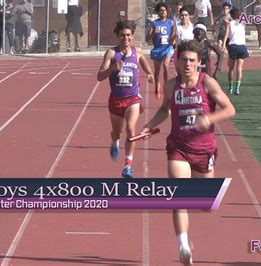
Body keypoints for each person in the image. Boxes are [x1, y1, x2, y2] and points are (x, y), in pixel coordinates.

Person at [140, 39, 235, 265]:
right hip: (178, 147)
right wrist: (148, 126)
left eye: (192, 60)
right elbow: (164, 110)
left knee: (205, 204)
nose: (188, 64)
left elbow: (230, 109)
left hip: (204, 150)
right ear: (177, 61)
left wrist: (209, 118)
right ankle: (183, 245)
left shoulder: (207, 83)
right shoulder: (172, 85)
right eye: (183, 60)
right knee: (178, 196)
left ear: (199, 62)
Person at [97, 20, 154, 178]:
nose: (126, 38)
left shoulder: (138, 52)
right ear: (117, 36)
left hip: (133, 98)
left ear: (132, 36)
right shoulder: (111, 53)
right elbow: (99, 77)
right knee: (117, 132)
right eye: (122, 35)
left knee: (130, 128)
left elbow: (145, 65)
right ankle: (115, 142)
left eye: (128, 35)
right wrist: (112, 68)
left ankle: (127, 166)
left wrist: (149, 75)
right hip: (116, 99)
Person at [146, 2, 175, 99]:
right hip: (157, 49)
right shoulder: (154, 23)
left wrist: (173, 38)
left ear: (167, 12)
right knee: (157, 71)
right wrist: (153, 33)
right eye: (161, 10)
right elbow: (147, 39)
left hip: (167, 48)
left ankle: (166, 86)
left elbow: (174, 34)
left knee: (166, 65)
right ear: (158, 12)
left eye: (164, 10)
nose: (163, 12)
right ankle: (156, 87)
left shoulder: (170, 22)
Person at [223, 7, 249, 95]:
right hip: (242, 46)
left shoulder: (229, 24)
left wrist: (223, 45)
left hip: (233, 46)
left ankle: (230, 87)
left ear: (231, 15)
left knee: (230, 68)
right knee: (239, 69)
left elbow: (226, 35)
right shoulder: (243, 23)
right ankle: (237, 88)